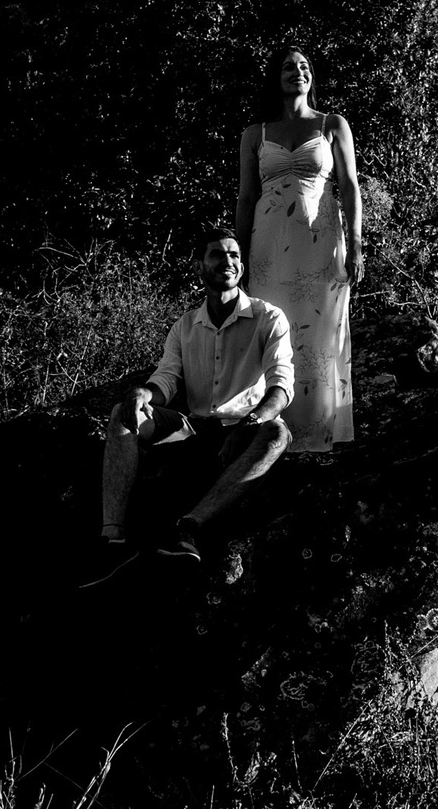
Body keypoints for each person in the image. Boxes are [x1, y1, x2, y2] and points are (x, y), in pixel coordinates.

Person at [89, 228, 293, 580]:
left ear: (242, 266)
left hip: (245, 426)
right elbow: (166, 380)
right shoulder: (185, 326)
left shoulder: (269, 318)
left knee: (277, 434)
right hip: (194, 429)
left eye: (234, 255)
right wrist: (143, 395)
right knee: (123, 414)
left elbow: (282, 386)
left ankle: (189, 527)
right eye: (218, 255)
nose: (228, 262)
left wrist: (252, 421)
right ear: (199, 266)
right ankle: (112, 537)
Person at [236, 46, 363, 453]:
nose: (299, 72)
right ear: (276, 77)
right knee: (272, 330)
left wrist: (356, 245)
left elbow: (350, 188)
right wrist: (239, 257)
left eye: (305, 66)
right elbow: (246, 197)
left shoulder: (332, 124)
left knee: (321, 335)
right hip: (268, 247)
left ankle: (319, 436)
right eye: (289, 67)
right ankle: (271, 433)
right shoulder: (255, 134)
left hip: (320, 243)